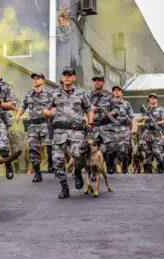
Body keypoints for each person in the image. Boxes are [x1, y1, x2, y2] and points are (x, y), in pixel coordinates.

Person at [43, 66, 94, 199]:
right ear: (62, 77)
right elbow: (45, 110)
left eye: (69, 75)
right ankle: (64, 188)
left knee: (79, 157)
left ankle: (77, 172)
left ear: (73, 77)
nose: (66, 77)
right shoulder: (54, 93)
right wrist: (49, 112)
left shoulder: (81, 93)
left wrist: (90, 122)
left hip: (77, 132)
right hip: (59, 132)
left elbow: (89, 109)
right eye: (64, 74)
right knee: (57, 162)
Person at [15, 73, 53, 182]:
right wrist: (18, 115)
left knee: (49, 146)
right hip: (33, 125)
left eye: (38, 78)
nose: (35, 80)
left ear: (43, 80)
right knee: (33, 148)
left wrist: (51, 113)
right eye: (34, 79)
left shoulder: (50, 94)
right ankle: (37, 172)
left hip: (46, 124)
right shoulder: (29, 94)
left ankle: (50, 162)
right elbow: (23, 106)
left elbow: (55, 107)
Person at [87, 74, 119, 175]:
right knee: (92, 150)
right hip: (94, 126)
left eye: (99, 80)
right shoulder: (88, 96)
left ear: (103, 82)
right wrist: (92, 108)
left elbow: (116, 109)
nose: (97, 82)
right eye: (95, 80)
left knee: (111, 149)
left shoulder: (110, 95)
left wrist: (108, 114)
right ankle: (94, 172)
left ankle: (110, 164)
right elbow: (83, 108)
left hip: (107, 127)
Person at [111, 86, 137, 173]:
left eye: (118, 91)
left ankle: (125, 165)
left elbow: (132, 118)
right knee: (112, 150)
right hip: (112, 130)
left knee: (124, 151)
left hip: (124, 130)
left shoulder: (126, 104)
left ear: (122, 93)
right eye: (114, 91)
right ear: (112, 93)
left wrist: (134, 128)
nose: (116, 92)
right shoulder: (108, 104)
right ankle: (113, 169)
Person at [138, 93, 164, 173]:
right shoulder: (146, 110)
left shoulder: (161, 109)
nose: (152, 99)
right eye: (150, 98)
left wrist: (157, 123)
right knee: (147, 156)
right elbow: (139, 120)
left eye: (154, 98)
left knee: (157, 153)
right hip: (146, 135)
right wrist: (143, 117)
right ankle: (148, 175)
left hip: (157, 135)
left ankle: (161, 169)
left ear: (157, 100)